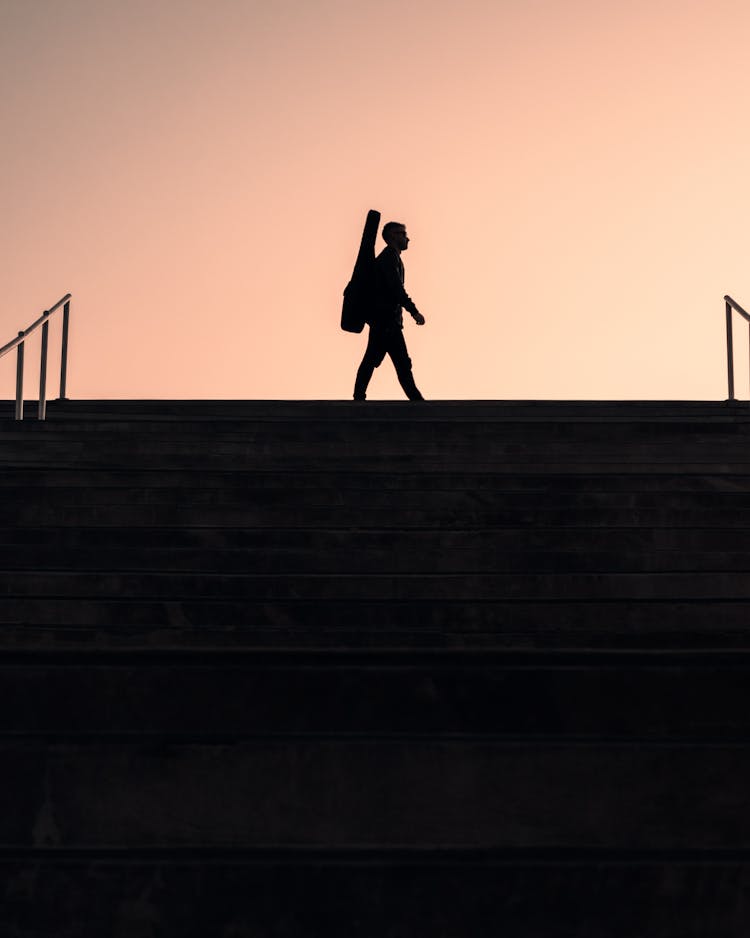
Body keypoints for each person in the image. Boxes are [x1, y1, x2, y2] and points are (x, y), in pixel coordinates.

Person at [353, 221, 426, 401]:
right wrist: (414, 311)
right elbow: (396, 289)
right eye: (402, 233)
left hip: (387, 322)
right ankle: (418, 404)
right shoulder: (388, 258)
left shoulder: (392, 258)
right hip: (386, 322)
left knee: (380, 361)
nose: (407, 238)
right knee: (396, 363)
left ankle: (359, 398)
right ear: (393, 236)